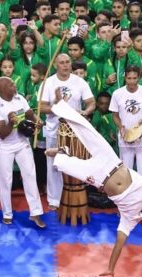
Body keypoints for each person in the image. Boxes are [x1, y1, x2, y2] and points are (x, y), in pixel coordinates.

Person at [45, 100, 142, 276]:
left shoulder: (129, 220)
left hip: (100, 178)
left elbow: (119, 244)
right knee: (89, 133)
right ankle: (60, 106)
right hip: (113, 163)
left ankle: (61, 153)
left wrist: (110, 268)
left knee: (66, 166)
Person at [38, 54, 95, 210]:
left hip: (75, 129)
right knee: (54, 164)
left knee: (74, 163)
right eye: (62, 63)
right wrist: (58, 108)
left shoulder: (79, 82)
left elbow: (91, 102)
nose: (65, 65)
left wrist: (86, 111)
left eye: (67, 62)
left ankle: (73, 197)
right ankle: (54, 200)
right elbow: (41, 107)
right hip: (54, 129)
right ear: (55, 65)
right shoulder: (48, 83)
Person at [0, 76, 46, 228]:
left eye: (14, 84)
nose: (15, 86)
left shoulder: (19, 98)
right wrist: (10, 122)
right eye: (11, 85)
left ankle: (35, 213)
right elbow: (2, 133)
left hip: (22, 143)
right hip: (5, 146)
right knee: (5, 180)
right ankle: (7, 214)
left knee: (30, 176)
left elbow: (29, 113)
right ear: (2, 89)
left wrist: (37, 121)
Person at [110, 65, 142, 186]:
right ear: (125, 77)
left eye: (134, 78)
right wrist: (121, 127)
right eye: (129, 78)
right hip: (125, 138)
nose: (131, 81)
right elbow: (115, 115)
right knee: (126, 172)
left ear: (139, 77)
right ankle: (127, 196)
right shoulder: (117, 94)